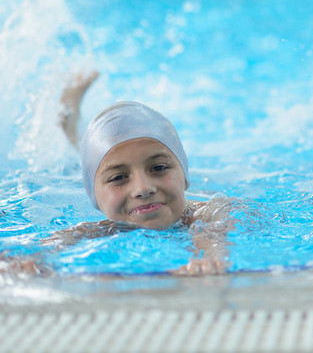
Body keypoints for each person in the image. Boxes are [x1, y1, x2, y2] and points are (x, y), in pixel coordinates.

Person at [52, 71, 234, 275]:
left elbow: (213, 230)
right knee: (73, 149)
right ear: (94, 196)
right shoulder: (101, 230)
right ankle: (69, 108)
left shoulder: (205, 214)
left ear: (184, 176)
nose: (143, 188)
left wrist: (210, 256)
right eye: (118, 178)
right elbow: (58, 241)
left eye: (159, 168)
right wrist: (29, 260)